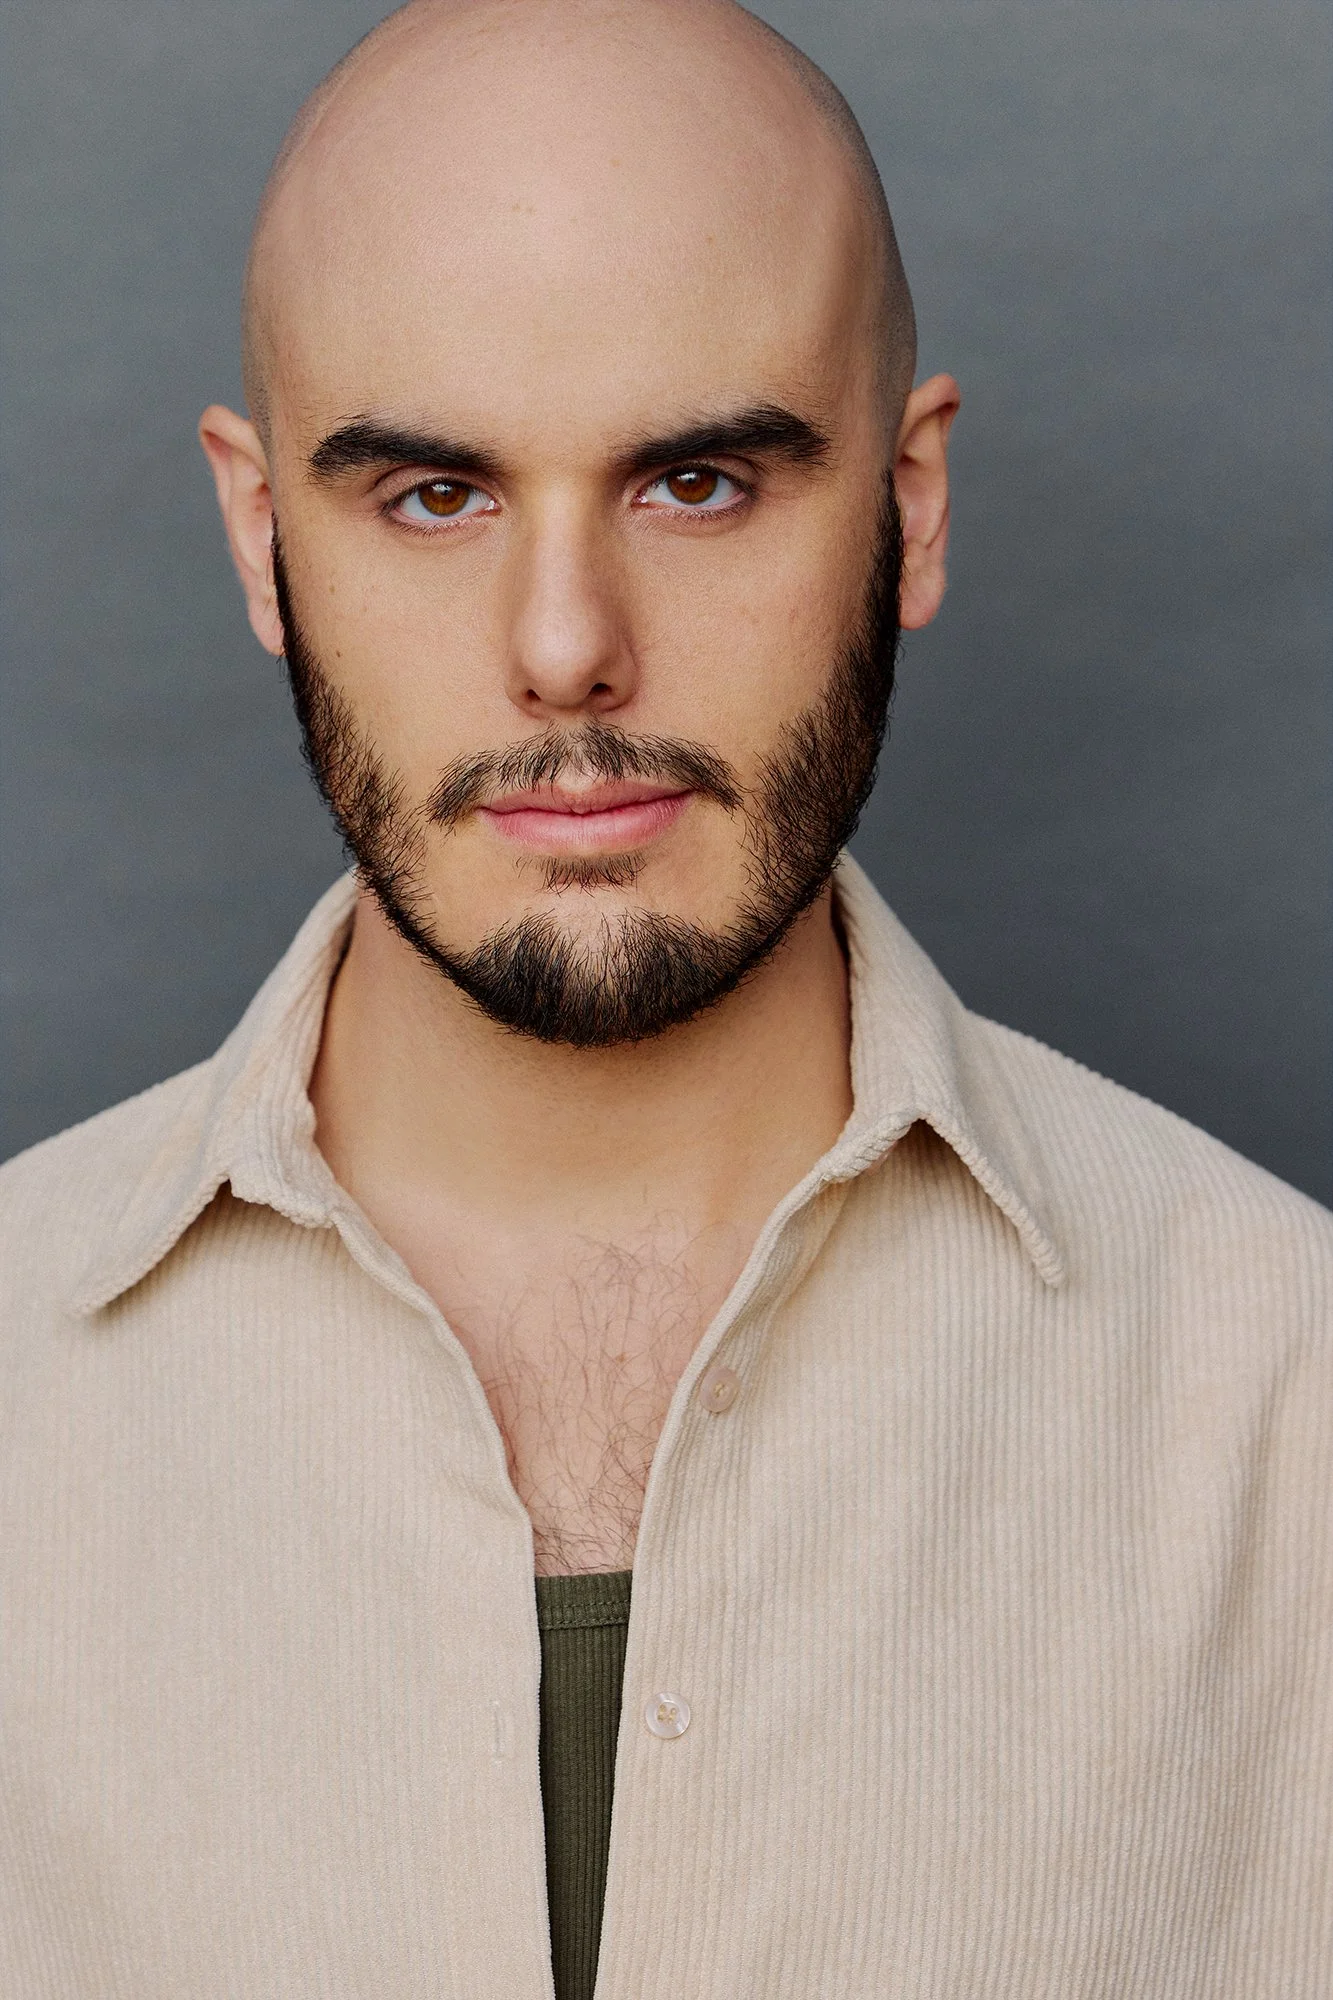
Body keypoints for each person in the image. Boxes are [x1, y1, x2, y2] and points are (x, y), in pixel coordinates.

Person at [1, 0, 1328, 1993]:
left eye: (699, 482)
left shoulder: (1289, 1411)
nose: (564, 648)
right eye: (432, 496)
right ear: (262, 541)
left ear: (914, 506)